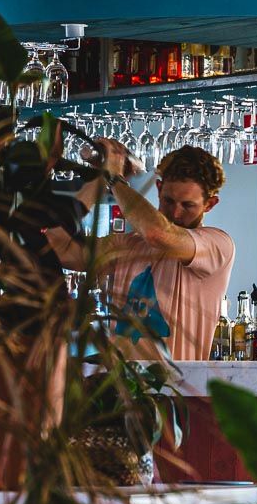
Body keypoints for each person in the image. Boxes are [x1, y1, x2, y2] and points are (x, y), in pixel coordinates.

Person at [46, 141, 234, 362]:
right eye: (168, 201)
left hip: (174, 391)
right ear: (158, 188)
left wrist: (115, 179)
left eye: (187, 205)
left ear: (210, 204)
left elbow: (158, 234)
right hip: (119, 390)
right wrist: (99, 179)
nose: (175, 212)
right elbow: (57, 247)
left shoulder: (217, 245)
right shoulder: (127, 245)